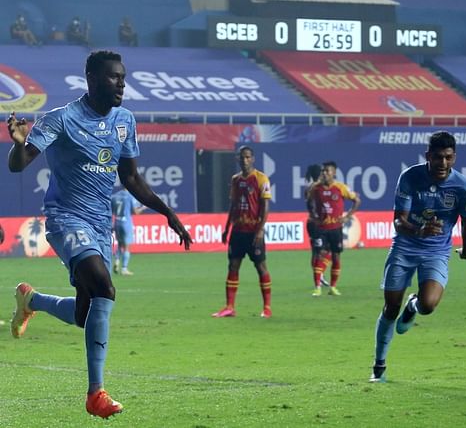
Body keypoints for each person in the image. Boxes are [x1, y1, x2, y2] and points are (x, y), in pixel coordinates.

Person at [7, 50, 192, 418]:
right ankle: (96, 393)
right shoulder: (61, 119)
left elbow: (131, 178)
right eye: (113, 77)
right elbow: (19, 164)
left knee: (84, 314)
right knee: (105, 288)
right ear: (91, 79)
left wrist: (167, 212)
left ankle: (32, 301)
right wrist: (16, 142)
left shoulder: (124, 121)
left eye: (123, 77)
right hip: (65, 219)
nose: (121, 83)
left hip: (98, 224)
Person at [369, 131, 466, 383]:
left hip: (436, 251)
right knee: (390, 307)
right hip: (404, 247)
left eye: (449, 158)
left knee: (428, 305)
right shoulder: (409, 177)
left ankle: (413, 306)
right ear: (428, 156)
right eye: (438, 157)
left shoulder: (464, 188)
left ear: (454, 157)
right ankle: (379, 365)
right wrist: (418, 230)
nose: (443, 163)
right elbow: (398, 221)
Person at [212, 145, 273, 318]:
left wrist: (260, 230)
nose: (244, 160)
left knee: (261, 267)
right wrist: (226, 228)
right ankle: (230, 307)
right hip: (238, 231)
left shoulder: (262, 179)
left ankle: (267, 307)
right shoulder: (235, 180)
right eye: (242, 157)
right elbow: (233, 205)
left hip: (254, 232)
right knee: (233, 265)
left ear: (253, 159)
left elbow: (265, 206)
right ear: (237, 159)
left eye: (247, 157)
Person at [307, 161, 361, 297]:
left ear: (334, 173)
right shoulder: (315, 188)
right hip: (320, 228)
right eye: (323, 171)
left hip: (335, 228)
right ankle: (317, 287)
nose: (324, 173)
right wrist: (313, 215)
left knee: (336, 256)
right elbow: (308, 201)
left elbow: (357, 201)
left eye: (327, 171)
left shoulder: (340, 188)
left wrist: (347, 216)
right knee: (319, 254)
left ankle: (333, 287)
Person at [304, 164, 330, 288]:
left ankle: (320, 275)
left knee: (320, 251)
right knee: (321, 251)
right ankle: (319, 277)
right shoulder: (315, 188)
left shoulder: (311, 188)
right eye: (322, 172)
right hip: (316, 224)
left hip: (315, 223)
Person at [111, 187, 145, 275]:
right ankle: (124, 269)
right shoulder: (130, 196)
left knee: (120, 244)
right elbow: (135, 212)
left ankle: (117, 261)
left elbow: (111, 211)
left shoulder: (115, 196)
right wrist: (144, 207)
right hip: (126, 223)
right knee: (127, 246)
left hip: (117, 222)